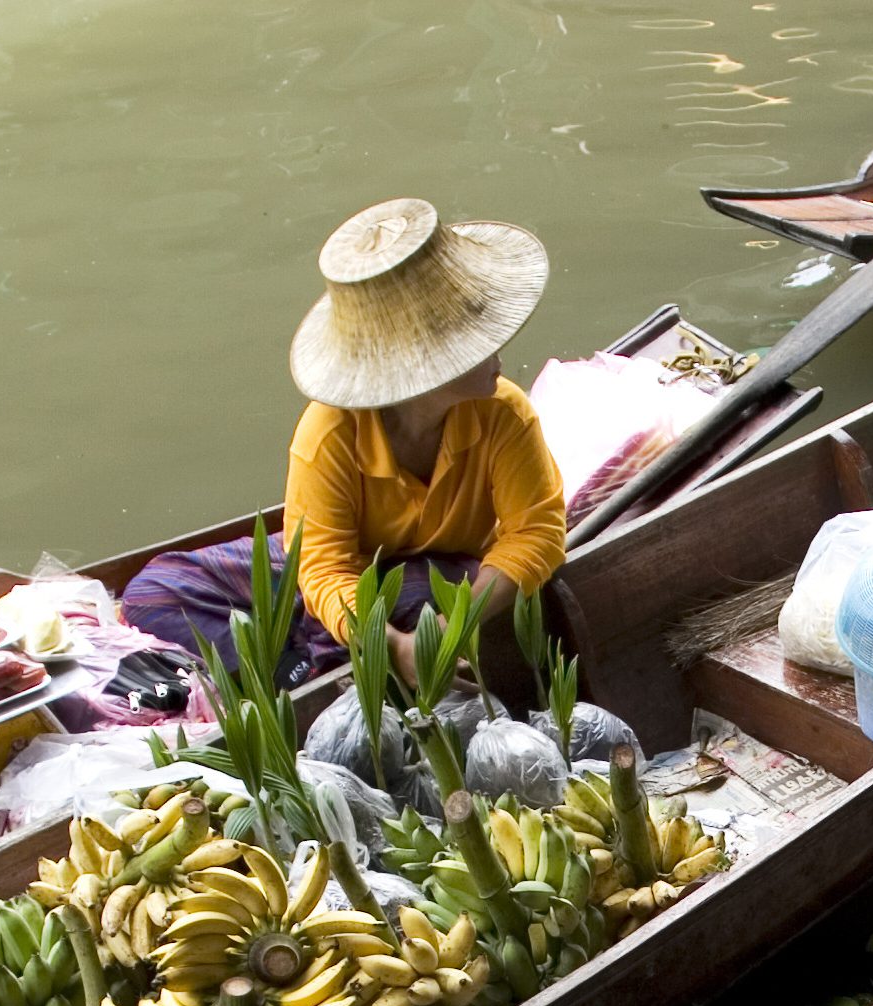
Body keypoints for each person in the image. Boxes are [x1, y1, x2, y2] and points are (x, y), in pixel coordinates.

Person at [121, 199, 567, 687]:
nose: (498, 354)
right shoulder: (331, 432)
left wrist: (450, 629)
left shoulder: (503, 411)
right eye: (476, 344)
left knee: (419, 597)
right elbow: (323, 569)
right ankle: (292, 671)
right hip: (347, 574)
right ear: (425, 370)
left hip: (436, 576)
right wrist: (391, 647)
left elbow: (537, 533)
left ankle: (321, 650)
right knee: (152, 592)